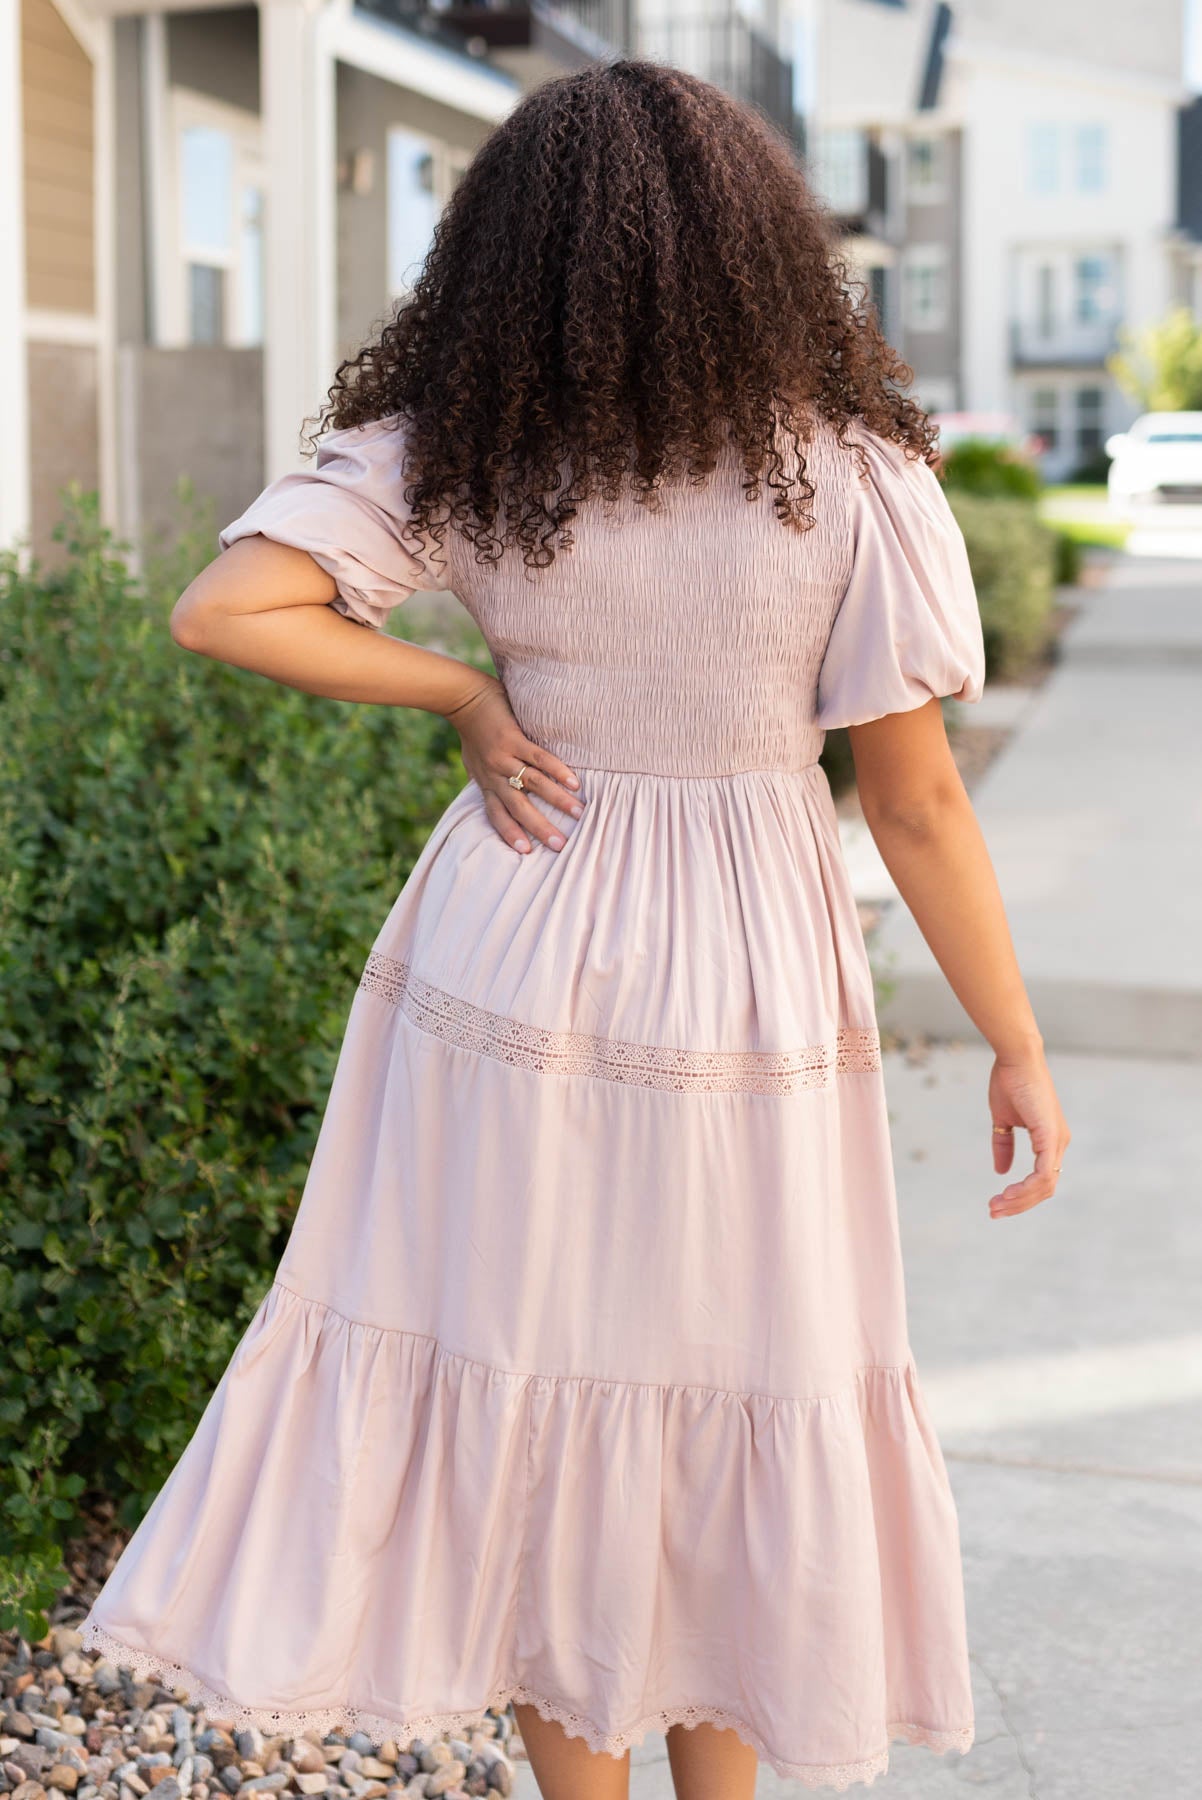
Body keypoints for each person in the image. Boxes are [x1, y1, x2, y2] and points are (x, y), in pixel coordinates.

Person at [78, 57, 1070, 1800]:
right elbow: (912, 802)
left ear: (509, 254)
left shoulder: (472, 447)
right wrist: (1015, 1038)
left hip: (515, 936)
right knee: (733, 1382)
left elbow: (226, 607)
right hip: (749, 974)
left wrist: (460, 692)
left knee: (544, 1383)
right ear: (760, 245)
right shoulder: (852, 474)